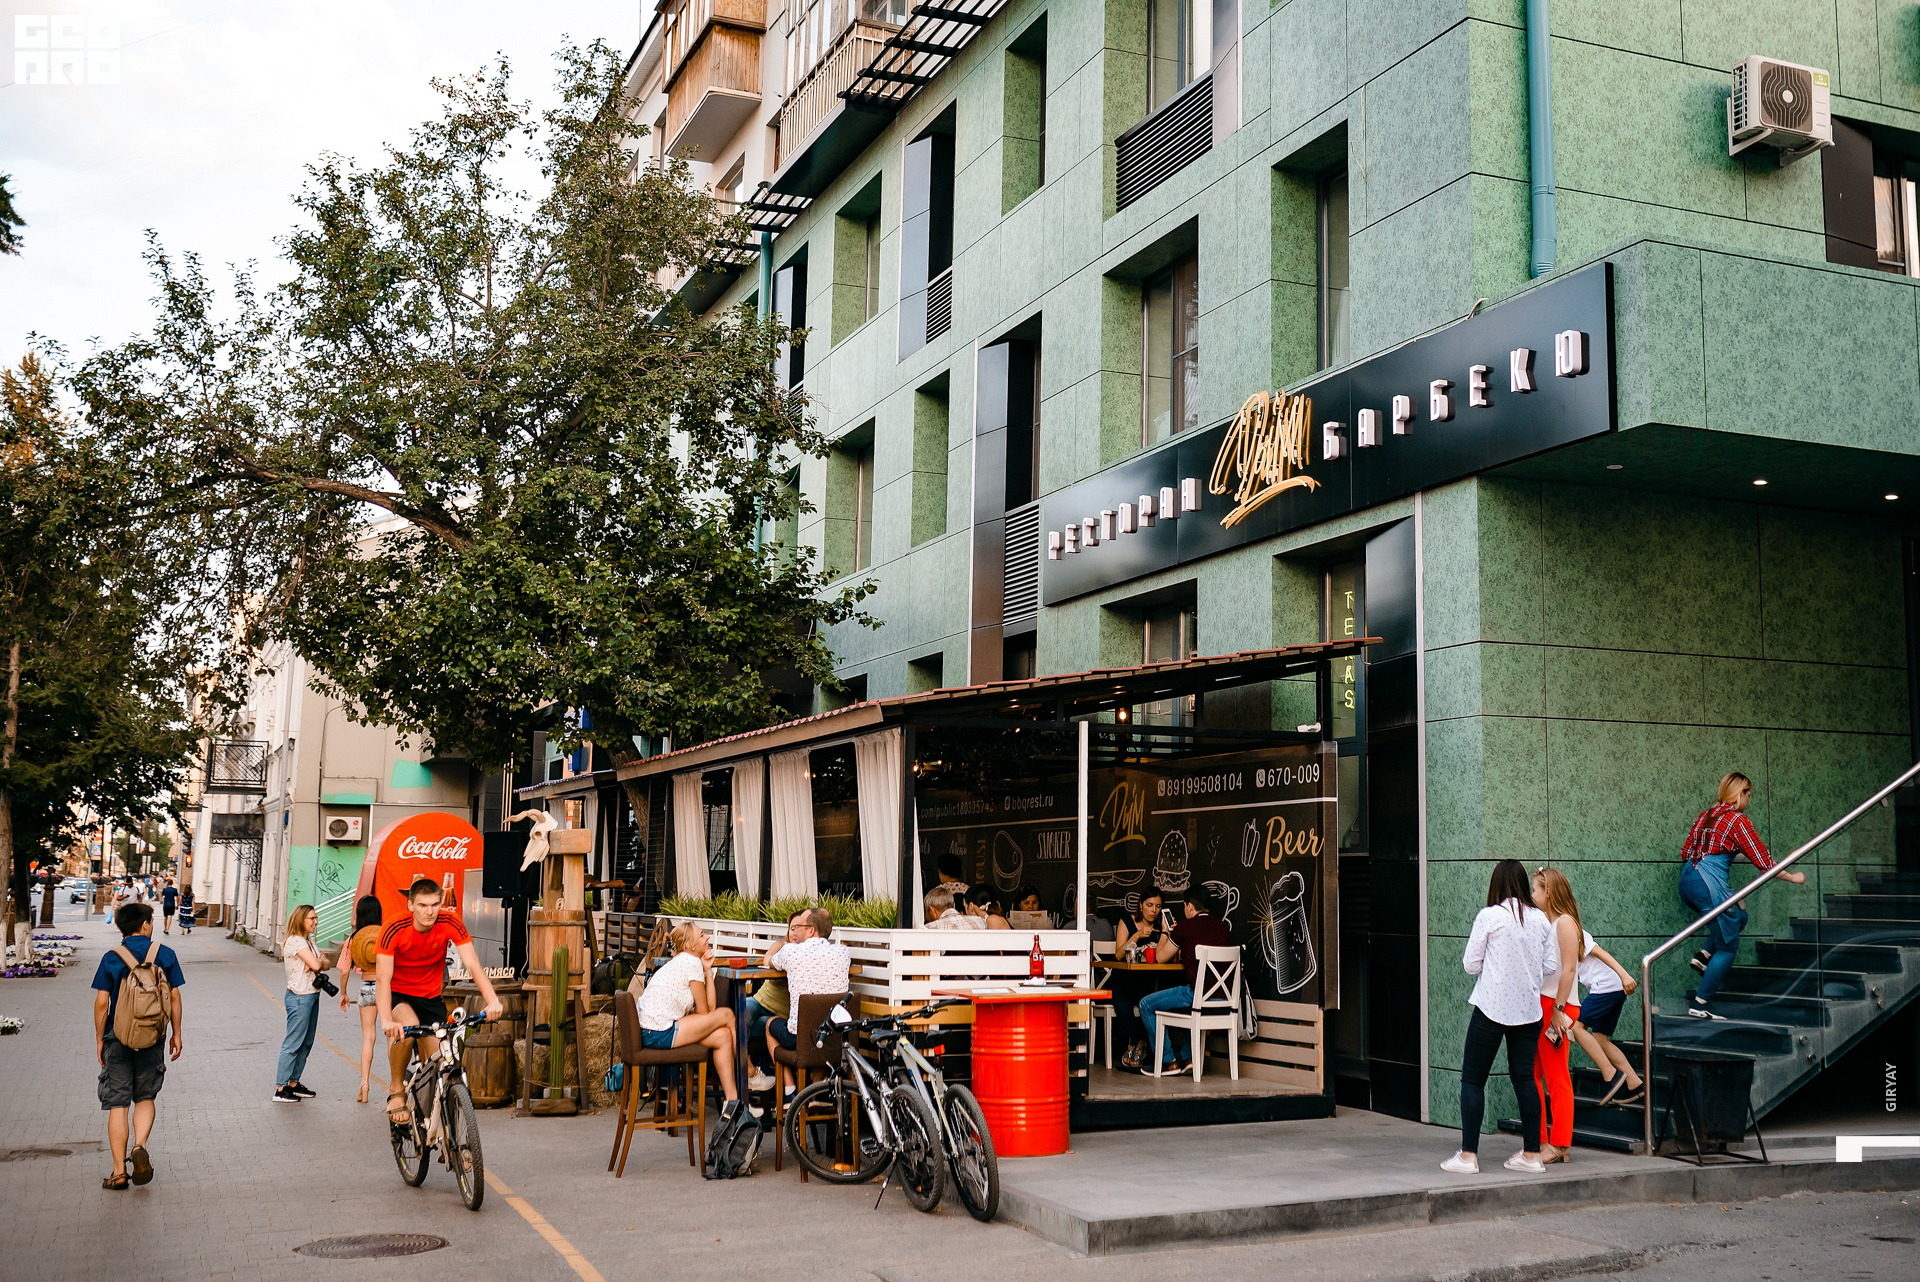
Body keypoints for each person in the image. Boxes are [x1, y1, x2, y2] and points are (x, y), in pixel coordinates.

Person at [1442, 859, 1550, 1176]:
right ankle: (1532, 1154)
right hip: (1529, 1011)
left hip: (1491, 1007)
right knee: (1525, 1080)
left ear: (1496, 884)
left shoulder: (1490, 916)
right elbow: (1550, 966)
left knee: (1473, 1079)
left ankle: (1468, 1156)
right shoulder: (1540, 919)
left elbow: (1470, 964)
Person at [376, 878, 505, 1124]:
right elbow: (383, 978)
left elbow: (472, 963)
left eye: (435, 904)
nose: (430, 911)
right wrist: (385, 1019)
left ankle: (442, 1130)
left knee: (441, 1059)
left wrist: (492, 1001)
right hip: (399, 994)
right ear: (410, 905)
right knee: (407, 1029)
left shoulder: (449, 922)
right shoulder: (394, 927)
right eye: (423, 905)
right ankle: (396, 1090)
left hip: (431, 997)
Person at [1679, 772, 1805, 1020]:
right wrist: (1793, 877)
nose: (1749, 799)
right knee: (1728, 948)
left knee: (1739, 917)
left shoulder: (1705, 816)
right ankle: (1701, 1003)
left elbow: (1687, 852)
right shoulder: (1737, 820)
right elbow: (1765, 863)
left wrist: (1729, 853)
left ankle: (1704, 956)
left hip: (1688, 881)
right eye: (1749, 794)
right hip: (1708, 883)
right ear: (1740, 794)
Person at [91, 902, 185, 1190]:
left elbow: (102, 1003)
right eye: (151, 921)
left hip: (118, 1038)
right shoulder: (165, 954)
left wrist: (99, 1038)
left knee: (118, 1103)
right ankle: (139, 1146)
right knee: (145, 1097)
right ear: (145, 924)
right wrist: (176, 1033)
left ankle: (119, 1173)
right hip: (152, 1037)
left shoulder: (111, 957)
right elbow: (175, 997)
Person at [634, 921, 741, 1119]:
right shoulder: (691, 962)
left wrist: (708, 970)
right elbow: (706, 1011)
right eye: (702, 935)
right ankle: (750, 1072)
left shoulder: (682, 962)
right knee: (726, 1015)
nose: (707, 937)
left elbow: (707, 1010)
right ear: (689, 945)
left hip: (652, 1031)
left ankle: (732, 1103)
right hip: (660, 1032)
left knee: (723, 1036)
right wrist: (705, 971)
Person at [1135, 887, 1231, 1074]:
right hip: (1224, 999)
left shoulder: (1185, 927)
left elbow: (1160, 957)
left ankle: (1167, 1061)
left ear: (1189, 906)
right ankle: (1189, 1058)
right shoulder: (1223, 927)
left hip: (1197, 995)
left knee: (1145, 1005)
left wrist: (1166, 931)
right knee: (1187, 1006)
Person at [764, 907, 852, 1101]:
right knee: (822, 1025)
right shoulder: (843, 953)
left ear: (811, 930)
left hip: (801, 1039)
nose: (795, 931)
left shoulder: (791, 951)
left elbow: (769, 961)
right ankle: (814, 1093)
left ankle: (790, 1091)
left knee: (769, 1024)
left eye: (799, 927)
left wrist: (771, 952)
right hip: (835, 1038)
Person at [1530, 868, 1583, 1164]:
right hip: (1546, 1004)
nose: (1532, 894)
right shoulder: (1550, 922)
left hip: (1556, 1005)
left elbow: (1569, 969)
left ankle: (1560, 1142)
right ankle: (1539, 1139)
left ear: (1548, 891)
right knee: (1533, 1074)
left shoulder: (1564, 923)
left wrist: (1558, 1011)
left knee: (1556, 1076)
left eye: (1535, 889)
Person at [1569, 918, 1642, 1108]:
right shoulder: (1558, 931)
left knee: (1576, 1027)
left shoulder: (1572, 929)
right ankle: (1634, 1084)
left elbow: (1600, 952)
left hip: (1606, 987)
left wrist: (1624, 975)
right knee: (1600, 1038)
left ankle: (1611, 1075)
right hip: (1613, 988)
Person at [742, 910, 809, 1094]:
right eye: (792, 928)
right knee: (743, 1011)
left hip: (780, 1016)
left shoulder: (807, 955)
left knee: (745, 1026)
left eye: (798, 928)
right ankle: (748, 1074)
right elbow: (767, 959)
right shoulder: (781, 946)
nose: (794, 932)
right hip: (760, 1002)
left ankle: (746, 1082)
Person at [1111, 892, 1173, 1070]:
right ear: (1140, 904)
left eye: (1158, 906)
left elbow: (1166, 956)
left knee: (1150, 1003)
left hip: (1150, 980)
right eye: (1149, 905)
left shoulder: (1161, 927)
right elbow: (1118, 954)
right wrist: (1137, 936)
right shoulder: (1127, 922)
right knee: (1122, 1006)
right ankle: (1139, 1041)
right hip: (1124, 979)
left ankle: (1141, 1046)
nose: (1154, 910)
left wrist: (1167, 932)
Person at [275, 905, 326, 1104]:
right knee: (293, 1043)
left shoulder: (309, 942)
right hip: (299, 998)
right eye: (311, 918)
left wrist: (319, 962)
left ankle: (293, 1083)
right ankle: (281, 1088)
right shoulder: (295, 941)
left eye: (316, 918)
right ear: (300, 920)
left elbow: (325, 964)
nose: (315, 922)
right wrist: (318, 962)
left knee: (306, 1042)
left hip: (311, 995)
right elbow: (318, 964)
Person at [336, 895, 384, 1103]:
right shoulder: (386, 934)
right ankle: (395, 1087)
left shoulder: (353, 939)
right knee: (392, 1037)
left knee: (368, 1038)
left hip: (366, 987)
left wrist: (343, 993)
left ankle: (364, 1085)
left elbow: (344, 970)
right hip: (386, 987)